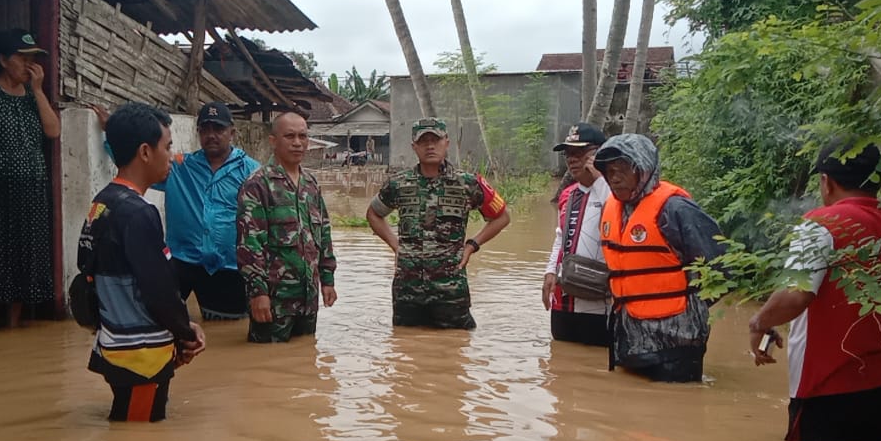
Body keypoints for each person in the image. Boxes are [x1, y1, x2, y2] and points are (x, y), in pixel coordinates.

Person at [748, 140, 881, 441]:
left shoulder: (820, 226)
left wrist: (759, 323)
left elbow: (795, 296)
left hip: (826, 389)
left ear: (826, 182)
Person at [78, 102, 206, 422]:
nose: (172, 157)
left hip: (116, 344)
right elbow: (159, 287)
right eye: (168, 147)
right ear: (146, 152)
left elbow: (86, 276)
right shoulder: (138, 213)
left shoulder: (103, 203)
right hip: (141, 356)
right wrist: (186, 332)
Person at [594, 134, 723, 382]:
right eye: (610, 171)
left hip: (675, 341)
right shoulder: (613, 209)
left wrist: (690, 305)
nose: (614, 178)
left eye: (622, 170)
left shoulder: (676, 209)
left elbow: (722, 267)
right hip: (629, 340)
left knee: (675, 411)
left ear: (643, 170)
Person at [366, 117, 511, 329]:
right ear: (414, 147)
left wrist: (472, 245)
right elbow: (373, 214)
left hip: (450, 289)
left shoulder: (468, 183)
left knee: (455, 349)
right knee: (405, 349)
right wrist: (396, 246)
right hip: (408, 289)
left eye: (436, 140)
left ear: (447, 143)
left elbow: (502, 217)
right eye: (423, 141)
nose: (430, 146)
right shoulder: (398, 184)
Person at [0, 28, 60, 333]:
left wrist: (39, 90)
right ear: (3, 60)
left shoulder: (34, 95)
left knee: (26, 257)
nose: (28, 64)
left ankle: (14, 325)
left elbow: (53, 131)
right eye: (22, 58)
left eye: (32, 59)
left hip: (32, 188)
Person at [236, 112, 337, 343]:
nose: (298, 142)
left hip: (308, 300)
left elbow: (324, 233)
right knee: (266, 367)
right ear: (273, 141)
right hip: (274, 301)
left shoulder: (311, 184)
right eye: (289, 136)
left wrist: (327, 279)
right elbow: (249, 244)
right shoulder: (257, 184)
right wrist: (258, 292)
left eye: (303, 136)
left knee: (305, 361)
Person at [155, 102, 261, 319]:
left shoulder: (251, 171)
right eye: (205, 129)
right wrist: (114, 131)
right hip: (183, 261)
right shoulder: (179, 167)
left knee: (226, 330)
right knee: (159, 319)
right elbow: (137, 165)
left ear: (232, 132)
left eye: (218, 129)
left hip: (229, 266)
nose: (211, 135)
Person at [543, 123, 611, 346]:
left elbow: (618, 217)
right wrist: (550, 271)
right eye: (568, 154)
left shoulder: (615, 192)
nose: (572, 159)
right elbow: (560, 237)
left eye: (580, 153)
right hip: (564, 299)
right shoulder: (567, 195)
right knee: (561, 362)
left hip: (601, 301)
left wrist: (600, 178)